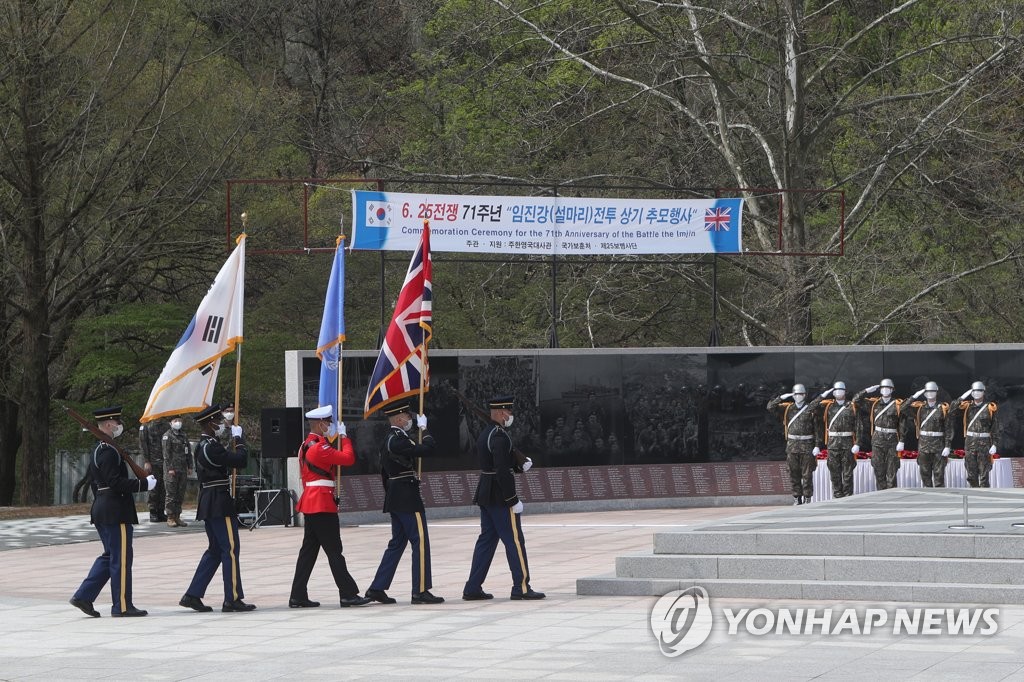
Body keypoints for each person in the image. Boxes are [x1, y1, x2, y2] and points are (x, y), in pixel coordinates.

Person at [70, 406, 157, 618]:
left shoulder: (100, 448)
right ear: (108, 424)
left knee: (110, 556)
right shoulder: (108, 451)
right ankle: (122, 605)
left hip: (103, 508)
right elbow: (115, 482)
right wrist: (143, 485)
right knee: (121, 558)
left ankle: (83, 596)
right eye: (117, 422)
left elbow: (95, 482)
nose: (119, 426)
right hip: (115, 511)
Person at [288, 406, 371, 608]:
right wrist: (345, 438)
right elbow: (348, 458)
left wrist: (335, 439)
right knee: (334, 550)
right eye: (327, 422)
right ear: (319, 424)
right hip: (321, 503)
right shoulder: (318, 448)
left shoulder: (308, 445)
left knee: (309, 551)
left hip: (314, 502)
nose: (329, 425)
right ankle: (347, 593)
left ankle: (298, 595)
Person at [464, 395, 544, 601]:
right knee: (515, 540)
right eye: (508, 412)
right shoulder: (499, 436)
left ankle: (472, 587)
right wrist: (512, 499)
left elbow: (498, 463)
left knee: (487, 541)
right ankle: (522, 586)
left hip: (487, 494)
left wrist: (519, 464)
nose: (510, 415)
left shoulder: (487, 434)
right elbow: (501, 470)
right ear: (500, 413)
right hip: (500, 496)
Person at [365, 402, 444, 605]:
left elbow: (385, 473)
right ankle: (420, 590)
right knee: (420, 541)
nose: (410, 420)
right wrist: (424, 429)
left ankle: (377, 588)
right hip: (407, 497)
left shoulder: (389, 440)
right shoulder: (398, 440)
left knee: (397, 543)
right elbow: (428, 449)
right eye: (408, 418)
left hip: (396, 495)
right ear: (399, 419)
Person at [179, 404, 254, 613]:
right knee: (229, 549)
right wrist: (239, 440)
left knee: (215, 550)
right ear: (210, 423)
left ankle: (192, 594)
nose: (222, 424)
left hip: (210, 500)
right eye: (219, 421)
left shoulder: (204, 445)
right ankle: (233, 598)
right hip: (218, 501)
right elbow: (240, 460)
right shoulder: (210, 446)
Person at [767, 384, 824, 504]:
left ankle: (808, 497)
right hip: (792, 446)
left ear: (805, 395)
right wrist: (781, 397)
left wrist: (817, 445)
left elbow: (817, 429)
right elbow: (770, 407)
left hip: (807, 445)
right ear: (793, 395)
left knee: (807, 474)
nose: (799, 396)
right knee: (793, 473)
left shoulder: (810, 409)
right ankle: (797, 497)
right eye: (796, 394)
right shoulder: (787, 409)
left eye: (801, 394)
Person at [852, 379, 904, 491]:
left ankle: (892, 495)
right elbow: (855, 401)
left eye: (888, 388)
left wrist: (902, 440)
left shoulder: (898, 404)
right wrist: (866, 391)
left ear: (892, 389)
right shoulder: (873, 404)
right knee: (878, 469)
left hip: (892, 440)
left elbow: (902, 423)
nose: (885, 390)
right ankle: (881, 495)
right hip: (877, 440)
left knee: (892, 471)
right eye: (883, 388)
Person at [902, 381, 954, 488]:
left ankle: (939, 501)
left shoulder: (943, 408)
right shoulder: (919, 408)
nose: (930, 394)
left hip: (938, 446)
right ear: (924, 393)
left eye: (933, 391)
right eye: (928, 391)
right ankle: (928, 498)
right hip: (924, 446)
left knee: (939, 476)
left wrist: (948, 446)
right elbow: (903, 408)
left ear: (937, 392)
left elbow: (948, 428)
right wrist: (915, 396)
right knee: (925, 475)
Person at [950, 381, 1000, 488]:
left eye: (979, 391)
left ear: (983, 392)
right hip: (970, 443)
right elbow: (951, 410)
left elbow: (995, 427)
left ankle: (984, 499)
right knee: (971, 474)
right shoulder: (967, 407)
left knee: (984, 474)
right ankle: (974, 495)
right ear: (971, 393)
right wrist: (962, 397)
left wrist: (995, 444)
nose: (977, 393)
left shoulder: (990, 408)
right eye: (975, 391)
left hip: (984, 444)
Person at [818, 381, 859, 498]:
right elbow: (811, 407)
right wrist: (823, 395)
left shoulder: (852, 406)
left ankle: (848, 496)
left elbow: (858, 425)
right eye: (836, 390)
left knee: (848, 473)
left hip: (847, 443)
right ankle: (837, 496)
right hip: (833, 444)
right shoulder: (828, 406)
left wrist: (858, 443)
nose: (838, 392)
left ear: (845, 392)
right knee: (834, 473)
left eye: (841, 390)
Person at [162, 415, 193, 527]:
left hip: (182, 469)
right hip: (171, 470)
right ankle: (170, 517)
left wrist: (190, 466)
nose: (178, 422)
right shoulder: (167, 436)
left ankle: (177, 516)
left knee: (180, 494)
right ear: (170, 423)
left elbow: (188, 452)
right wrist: (170, 468)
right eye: (175, 421)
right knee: (171, 494)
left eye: (180, 420)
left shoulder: (183, 436)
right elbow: (166, 454)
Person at [138, 418, 169, 522]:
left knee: (163, 488)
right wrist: (146, 461)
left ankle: (161, 511)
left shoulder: (166, 425)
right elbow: (143, 444)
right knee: (154, 488)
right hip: (152, 462)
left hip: (164, 462)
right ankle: (153, 512)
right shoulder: (146, 426)